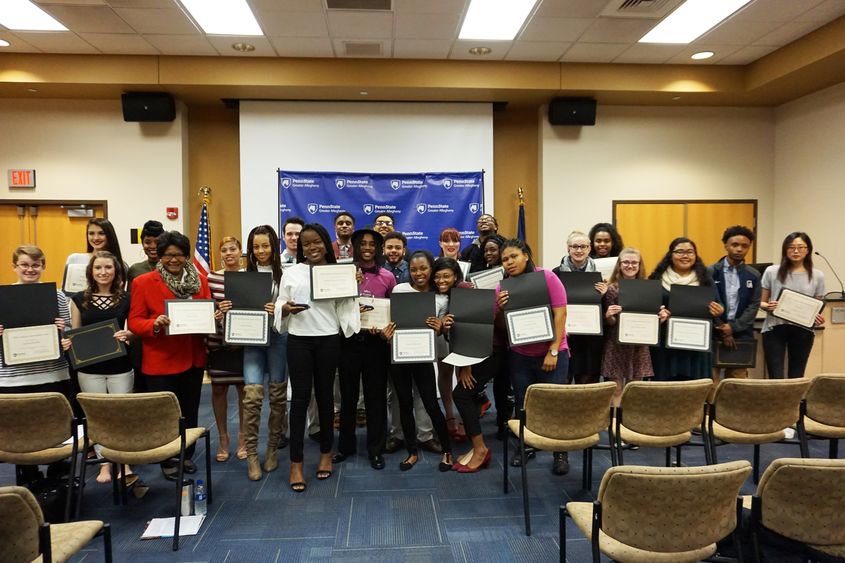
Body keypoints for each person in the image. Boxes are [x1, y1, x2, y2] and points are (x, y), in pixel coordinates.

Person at [275, 223, 360, 492]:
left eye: (316, 242)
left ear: (325, 243)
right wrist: (286, 308)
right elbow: (280, 303)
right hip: (299, 340)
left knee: (325, 397)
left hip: (328, 339)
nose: (312, 247)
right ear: (300, 248)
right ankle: (296, 463)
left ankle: (325, 454)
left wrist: (352, 287)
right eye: (306, 244)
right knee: (300, 400)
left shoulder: (338, 272)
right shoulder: (292, 273)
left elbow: (345, 307)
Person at [127, 231, 211, 480]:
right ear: (159, 257)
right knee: (165, 414)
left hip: (193, 358)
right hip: (161, 360)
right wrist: (154, 323)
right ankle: (168, 458)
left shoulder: (200, 281)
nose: (173, 260)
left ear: (186, 256)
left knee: (190, 411)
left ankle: (186, 454)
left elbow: (206, 308)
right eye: (167, 255)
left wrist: (213, 317)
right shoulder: (143, 282)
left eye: (178, 255)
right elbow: (134, 321)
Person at [220, 226, 288, 481]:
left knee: (278, 395)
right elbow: (234, 312)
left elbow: (292, 307)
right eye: (256, 246)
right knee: (252, 396)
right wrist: (227, 308)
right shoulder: (241, 276)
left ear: (274, 247)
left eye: (266, 245)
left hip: (278, 337)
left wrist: (279, 309)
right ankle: (251, 454)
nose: (261, 251)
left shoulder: (285, 276)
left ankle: (271, 449)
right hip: (252, 340)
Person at [496, 238, 569, 473]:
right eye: (505, 259)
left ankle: (560, 452)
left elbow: (561, 314)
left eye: (513, 256)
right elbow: (501, 327)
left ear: (526, 255)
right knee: (522, 403)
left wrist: (554, 350)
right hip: (520, 354)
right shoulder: (502, 287)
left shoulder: (547, 277)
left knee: (555, 404)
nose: (509, 262)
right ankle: (525, 447)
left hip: (553, 352)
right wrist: (499, 307)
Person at [0, 246, 72, 484]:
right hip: (14, 379)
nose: (30, 269)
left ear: (43, 266)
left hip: (53, 375)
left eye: (35, 265)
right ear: (15, 266)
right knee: (22, 435)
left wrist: (64, 332)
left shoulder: (58, 296)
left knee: (56, 432)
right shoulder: (3, 297)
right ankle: (28, 479)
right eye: (25, 265)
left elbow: (69, 335)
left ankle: (58, 482)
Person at [382, 250, 454, 472]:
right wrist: (386, 335)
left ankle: (447, 451)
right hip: (400, 356)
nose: (418, 273)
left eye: (423, 268)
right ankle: (412, 451)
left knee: (431, 403)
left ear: (431, 269)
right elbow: (390, 322)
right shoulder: (399, 290)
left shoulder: (440, 298)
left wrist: (441, 327)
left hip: (423, 357)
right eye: (413, 269)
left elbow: (442, 332)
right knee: (403, 404)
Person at [70, 250, 137, 484]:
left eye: (108, 267)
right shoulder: (78, 299)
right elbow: (74, 332)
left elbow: (133, 328)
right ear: (91, 272)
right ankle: (105, 463)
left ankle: (124, 462)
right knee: (97, 416)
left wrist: (130, 334)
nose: (103, 272)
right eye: (98, 268)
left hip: (120, 365)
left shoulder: (127, 298)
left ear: (116, 271)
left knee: (121, 414)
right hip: (89, 368)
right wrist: (68, 341)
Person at [333, 228, 395, 470]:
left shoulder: (387, 277)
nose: (367, 248)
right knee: (347, 398)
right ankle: (345, 447)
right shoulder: (343, 273)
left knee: (375, 398)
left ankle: (375, 450)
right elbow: (335, 305)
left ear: (378, 248)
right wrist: (350, 284)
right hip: (348, 341)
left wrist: (383, 328)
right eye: (363, 244)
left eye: (372, 244)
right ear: (355, 247)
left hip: (376, 344)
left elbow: (392, 310)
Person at [648, 237, 724, 381]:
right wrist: (659, 312)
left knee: (695, 389)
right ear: (670, 255)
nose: (685, 256)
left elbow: (719, 305)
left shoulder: (705, 279)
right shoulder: (656, 278)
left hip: (696, 344)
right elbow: (649, 307)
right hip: (665, 345)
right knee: (665, 389)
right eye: (680, 252)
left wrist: (719, 310)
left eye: (690, 252)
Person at [760, 232, 825, 379]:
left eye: (801, 247)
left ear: (807, 250)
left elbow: (818, 305)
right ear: (785, 250)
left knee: (797, 375)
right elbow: (761, 302)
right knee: (775, 376)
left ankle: (795, 403)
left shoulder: (818, 275)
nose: (796, 251)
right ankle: (777, 403)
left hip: (803, 330)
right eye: (791, 247)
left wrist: (819, 318)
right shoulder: (772, 271)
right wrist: (767, 306)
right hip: (774, 328)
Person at [205, 237, 247, 464]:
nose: (229, 253)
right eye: (224, 250)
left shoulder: (250, 276)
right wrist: (216, 312)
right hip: (217, 341)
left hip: (243, 341)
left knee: (243, 391)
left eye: (233, 248)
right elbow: (204, 305)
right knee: (219, 390)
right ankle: (223, 439)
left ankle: (243, 439)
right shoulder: (211, 278)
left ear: (241, 251)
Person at [601, 248, 656, 405]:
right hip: (616, 343)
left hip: (639, 343)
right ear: (619, 264)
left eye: (634, 262)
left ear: (640, 265)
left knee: (635, 388)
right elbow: (609, 322)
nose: (629, 265)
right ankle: (615, 424)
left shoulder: (648, 288)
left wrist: (660, 316)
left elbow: (651, 320)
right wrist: (609, 316)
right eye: (625, 262)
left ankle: (631, 426)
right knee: (616, 388)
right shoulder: (611, 289)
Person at [707, 226, 761, 380]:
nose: (739, 249)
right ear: (726, 245)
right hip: (714, 333)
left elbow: (753, 305)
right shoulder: (710, 271)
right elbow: (707, 302)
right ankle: (711, 406)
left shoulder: (754, 275)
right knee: (711, 379)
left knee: (737, 381)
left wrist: (733, 327)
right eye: (735, 245)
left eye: (744, 246)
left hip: (741, 334)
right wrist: (722, 328)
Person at [555, 231, 606, 386]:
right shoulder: (556, 274)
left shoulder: (601, 273)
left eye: (583, 246)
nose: (579, 250)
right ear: (568, 248)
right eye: (575, 246)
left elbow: (607, 307)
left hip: (590, 339)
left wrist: (603, 294)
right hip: (566, 336)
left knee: (587, 386)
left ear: (589, 248)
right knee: (563, 382)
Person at [432, 257, 473, 444]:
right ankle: (449, 415)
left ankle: (465, 418)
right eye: (437, 276)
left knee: (463, 376)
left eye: (446, 276)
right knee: (445, 373)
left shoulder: (464, 291)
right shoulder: (432, 294)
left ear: (455, 276)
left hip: (463, 340)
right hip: (441, 340)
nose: (441, 281)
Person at [127, 220, 164, 285]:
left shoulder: (171, 268)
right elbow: (131, 294)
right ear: (142, 244)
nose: (153, 246)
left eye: (157, 242)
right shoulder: (135, 269)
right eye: (147, 242)